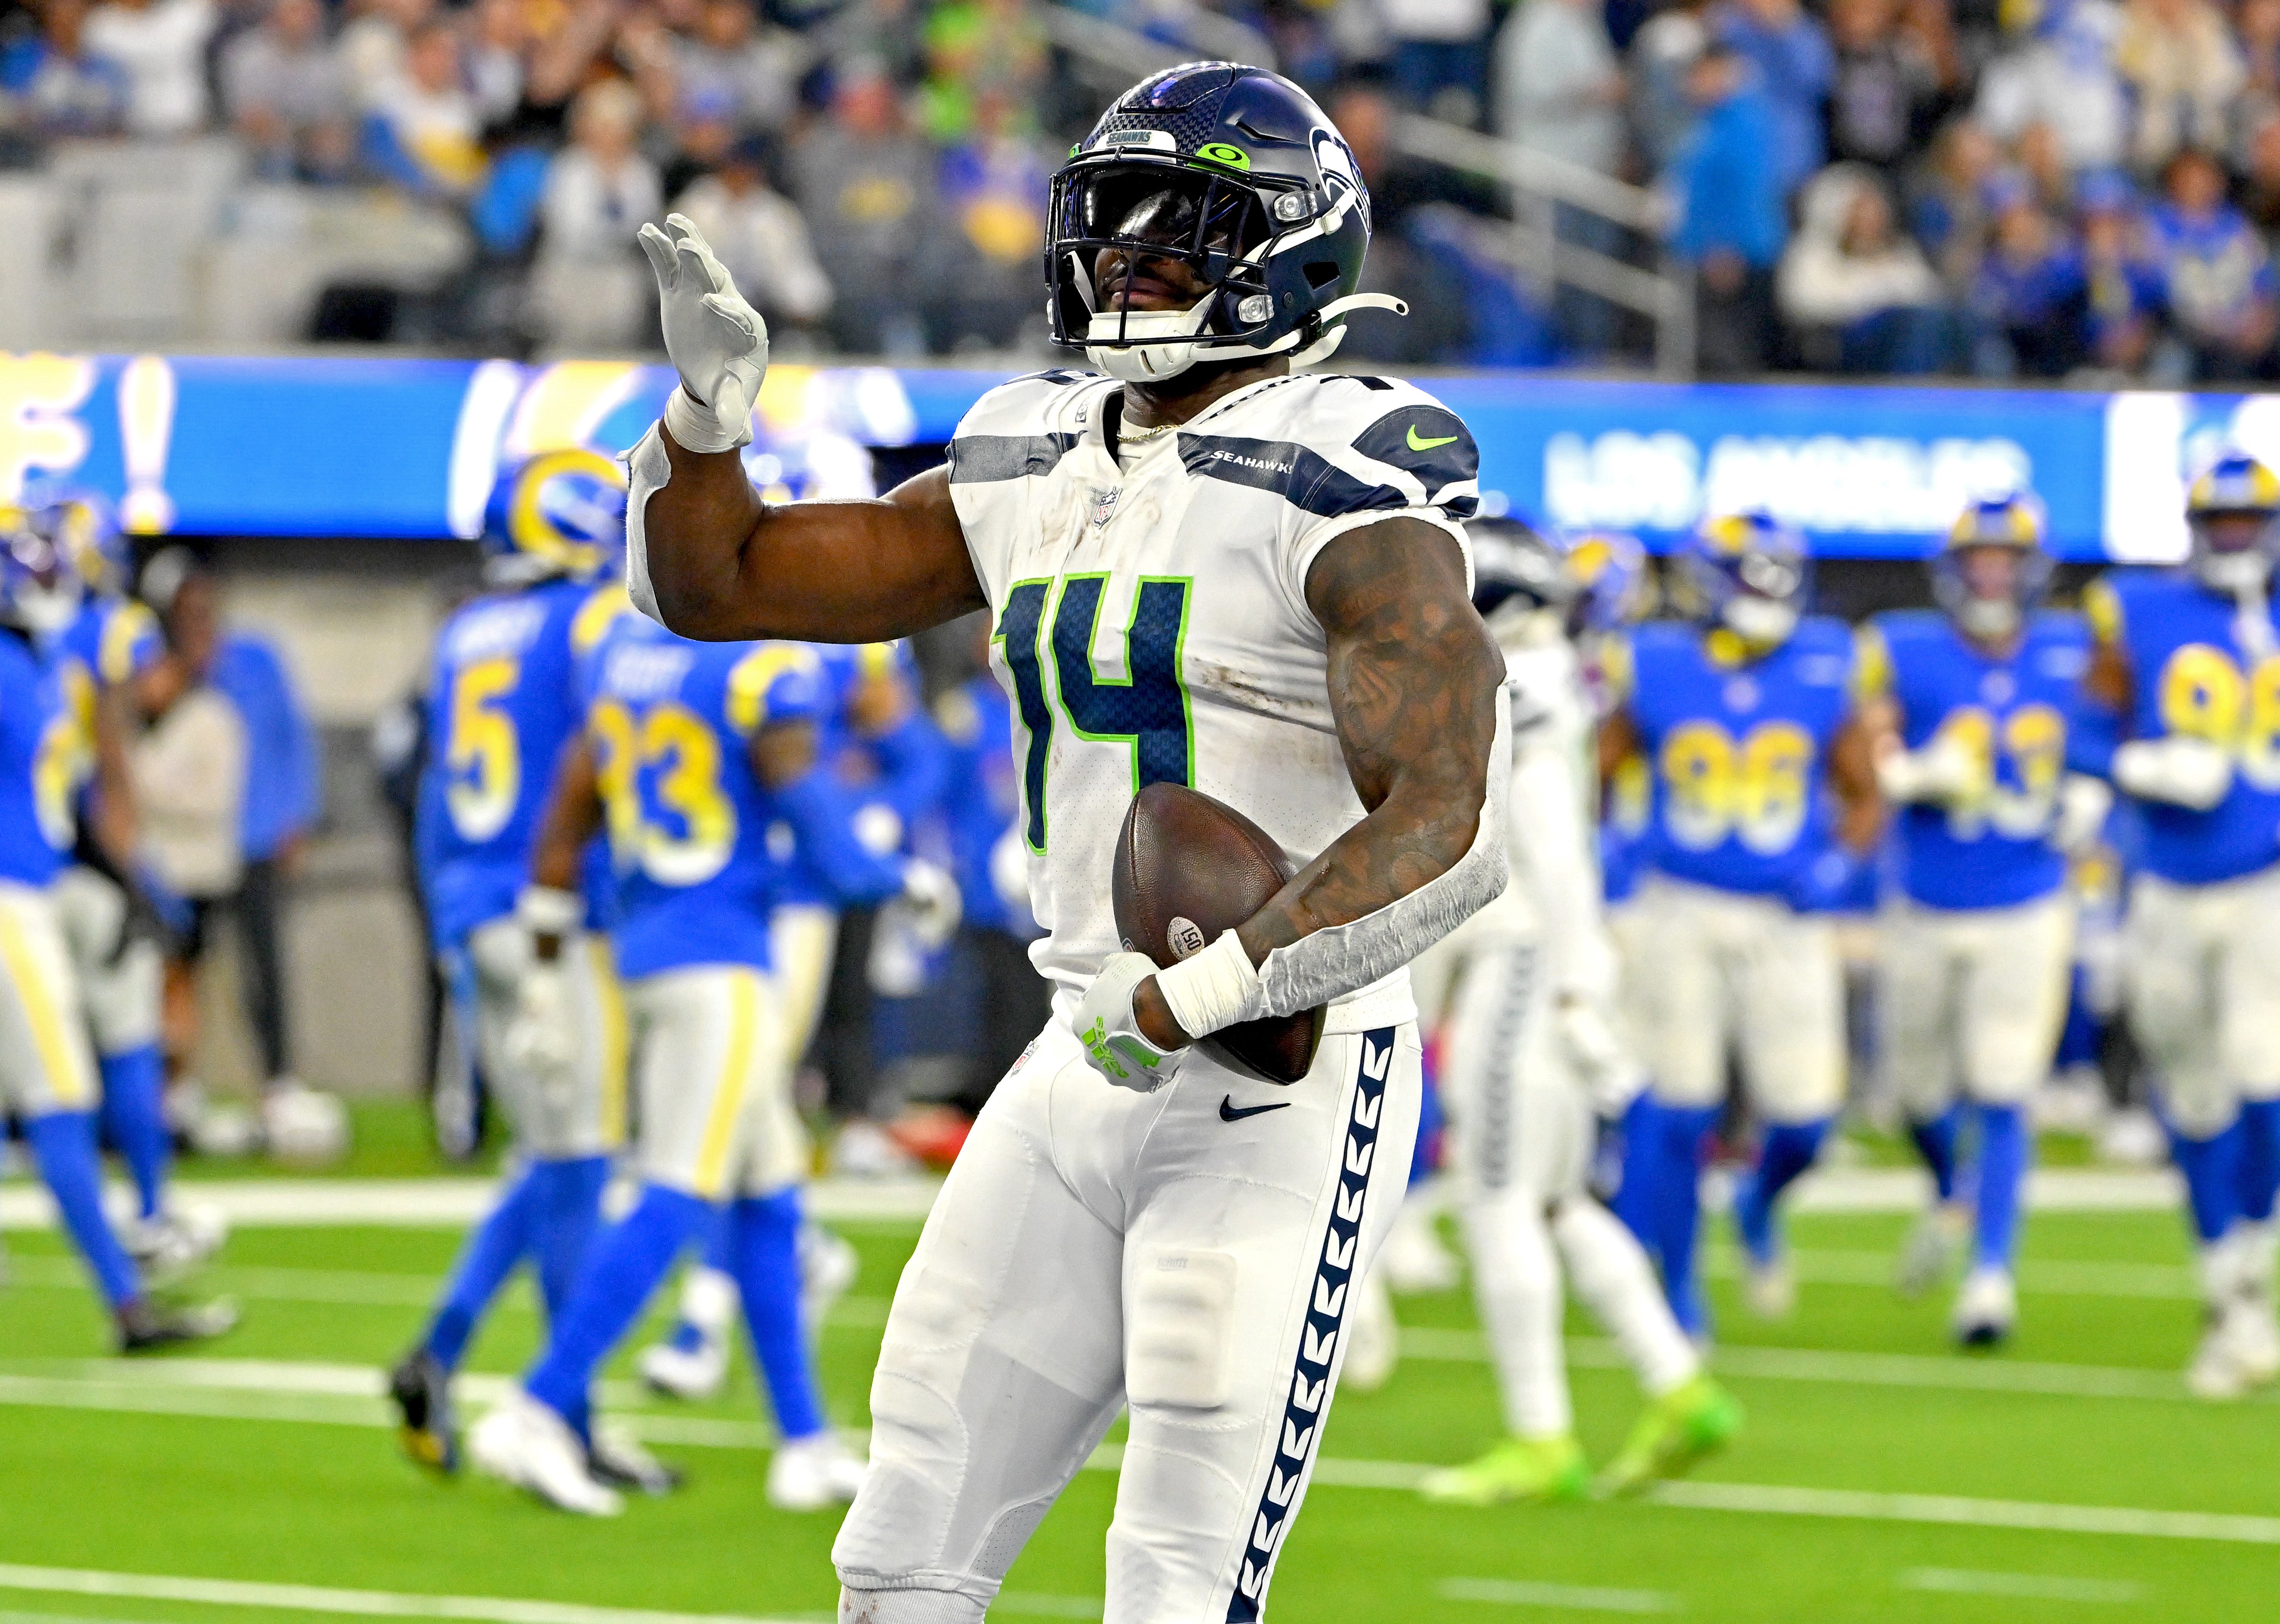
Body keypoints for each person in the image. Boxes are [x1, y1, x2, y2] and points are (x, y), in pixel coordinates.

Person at [627, 60, 1506, 1621]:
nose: (1130, 267)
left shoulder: (1355, 456)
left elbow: (1449, 822)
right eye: (1113, 229)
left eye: (1180, 237)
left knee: (1173, 1582)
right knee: (899, 1558)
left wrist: (1204, 989)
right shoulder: (1036, 448)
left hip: (1272, 1070)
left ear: (1292, 248)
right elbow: (726, 585)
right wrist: (706, 423)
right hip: (1075, 1046)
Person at [465, 612, 954, 1514]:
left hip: (643, 945)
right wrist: (904, 881)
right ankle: (537, 1407)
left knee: (767, 1193)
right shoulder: (759, 670)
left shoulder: (617, 650)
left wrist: (543, 961)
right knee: (677, 1188)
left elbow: (573, 800)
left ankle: (803, 1441)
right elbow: (822, 837)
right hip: (719, 958)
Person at [1418, 524, 1740, 1508]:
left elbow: (1551, 842)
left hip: (1526, 964)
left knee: (1497, 1199)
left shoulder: (1522, 690)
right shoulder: (1552, 677)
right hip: (1545, 961)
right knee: (1556, 1202)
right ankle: (1676, 1385)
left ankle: (1539, 1435)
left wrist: (1576, 983)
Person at [387, 450, 635, 1476]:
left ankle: (439, 1353)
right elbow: (604, 759)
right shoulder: (582, 621)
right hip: (549, 917)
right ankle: (563, 1413)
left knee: (550, 1155)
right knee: (579, 1159)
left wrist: (449, 923)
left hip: (472, 906)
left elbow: (434, 788)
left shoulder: (461, 632)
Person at [1599, 511, 1881, 1335]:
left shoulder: (1830, 662)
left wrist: (1836, 864)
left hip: (1785, 915)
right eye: (1751, 575)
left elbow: (1865, 790)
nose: (1767, 593)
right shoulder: (1651, 661)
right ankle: (1681, 1284)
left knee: (1806, 1120)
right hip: (1677, 905)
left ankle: (1761, 1202)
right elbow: (1601, 769)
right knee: (1681, 1108)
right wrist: (1608, 853)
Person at [1859, 493, 2103, 1345]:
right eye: (1978, 559)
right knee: (1916, 1095)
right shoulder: (1905, 647)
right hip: (1924, 897)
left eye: (2006, 559)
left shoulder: (2075, 650)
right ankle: (1952, 1191)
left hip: (2027, 898)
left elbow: (2110, 734)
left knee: (2004, 1085)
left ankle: (1991, 1276)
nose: (1991, 574)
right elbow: (1863, 746)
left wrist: (2092, 792)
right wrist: (1906, 771)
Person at [0, 511, 230, 1351]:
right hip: (13, 905)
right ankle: (130, 1306)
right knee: (61, 1101)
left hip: (42, 887)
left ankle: (131, 1295)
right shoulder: (22, 666)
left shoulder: (35, 664)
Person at [2082, 450, 2280, 1399]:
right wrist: (2147, 767)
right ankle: (2227, 1293)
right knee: (2194, 1096)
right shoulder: (2136, 612)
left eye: (2248, 523)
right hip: (2163, 882)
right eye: (2220, 524)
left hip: (2264, 882)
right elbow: (2082, 726)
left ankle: (2245, 1269)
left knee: (2265, 1075)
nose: (2234, 540)